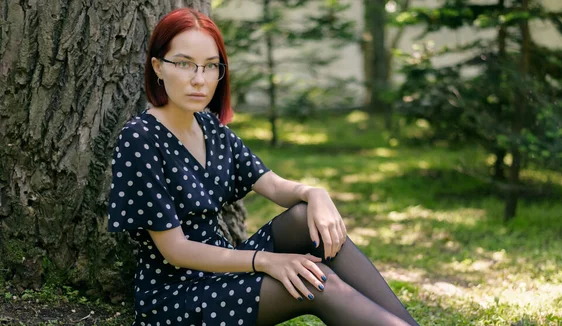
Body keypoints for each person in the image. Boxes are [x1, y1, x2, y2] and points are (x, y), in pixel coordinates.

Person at [107, 7, 420, 326]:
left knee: (302, 216)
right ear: (158, 67)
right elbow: (175, 250)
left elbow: (273, 185)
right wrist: (266, 262)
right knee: (315, 280)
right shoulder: (140, 138)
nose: (199, 79)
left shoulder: (210, 128)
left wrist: (316, 194)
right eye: (185, 64)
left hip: (223, 273)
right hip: (176, 298)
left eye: (210, 67)